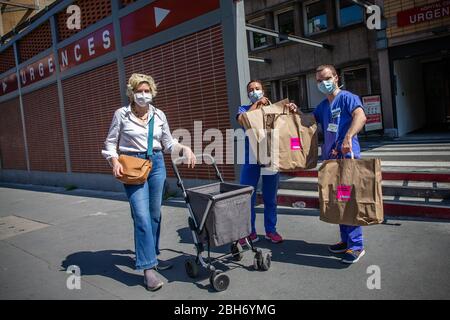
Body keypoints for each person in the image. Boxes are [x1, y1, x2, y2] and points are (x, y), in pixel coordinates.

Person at [102, 73, 196, 291]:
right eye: (139, 91)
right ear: (132, 93)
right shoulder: (122, 114)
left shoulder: (159, 114)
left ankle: (151, 256)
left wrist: (184, 147)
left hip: (156, 164)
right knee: (141, 216)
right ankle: (148, 269)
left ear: (152, 93)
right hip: (132, 165)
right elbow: (110, 143)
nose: (143, 95)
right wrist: (114, 160)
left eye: (147, 91)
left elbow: (168, 143)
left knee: (154, 214)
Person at [309, 64, 367, 264]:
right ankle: (345, 240)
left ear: (335, 77)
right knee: (339, 200)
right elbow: (308, 121)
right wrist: (293, 110)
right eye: (318, 80)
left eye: (326, 78)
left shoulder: (347, 98)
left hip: (347, 158)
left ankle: (356, 246)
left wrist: (348, 136)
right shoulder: (323, 106)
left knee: (348, 200)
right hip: (331, 160)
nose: (322, 83)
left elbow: (361, 116)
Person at [236, 80, 297, 245]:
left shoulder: (275, 108)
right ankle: (249, 232)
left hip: (271, 158)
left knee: (270, 197)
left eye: (257, 89)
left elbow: (289, 126)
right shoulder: (243, 108)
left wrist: (291, 110)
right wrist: (257, 104)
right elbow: (243, 120)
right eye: (251, 90)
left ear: (263, 90)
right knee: (247, 195)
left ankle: (271, 230)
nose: (254, 91)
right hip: (251, 159)